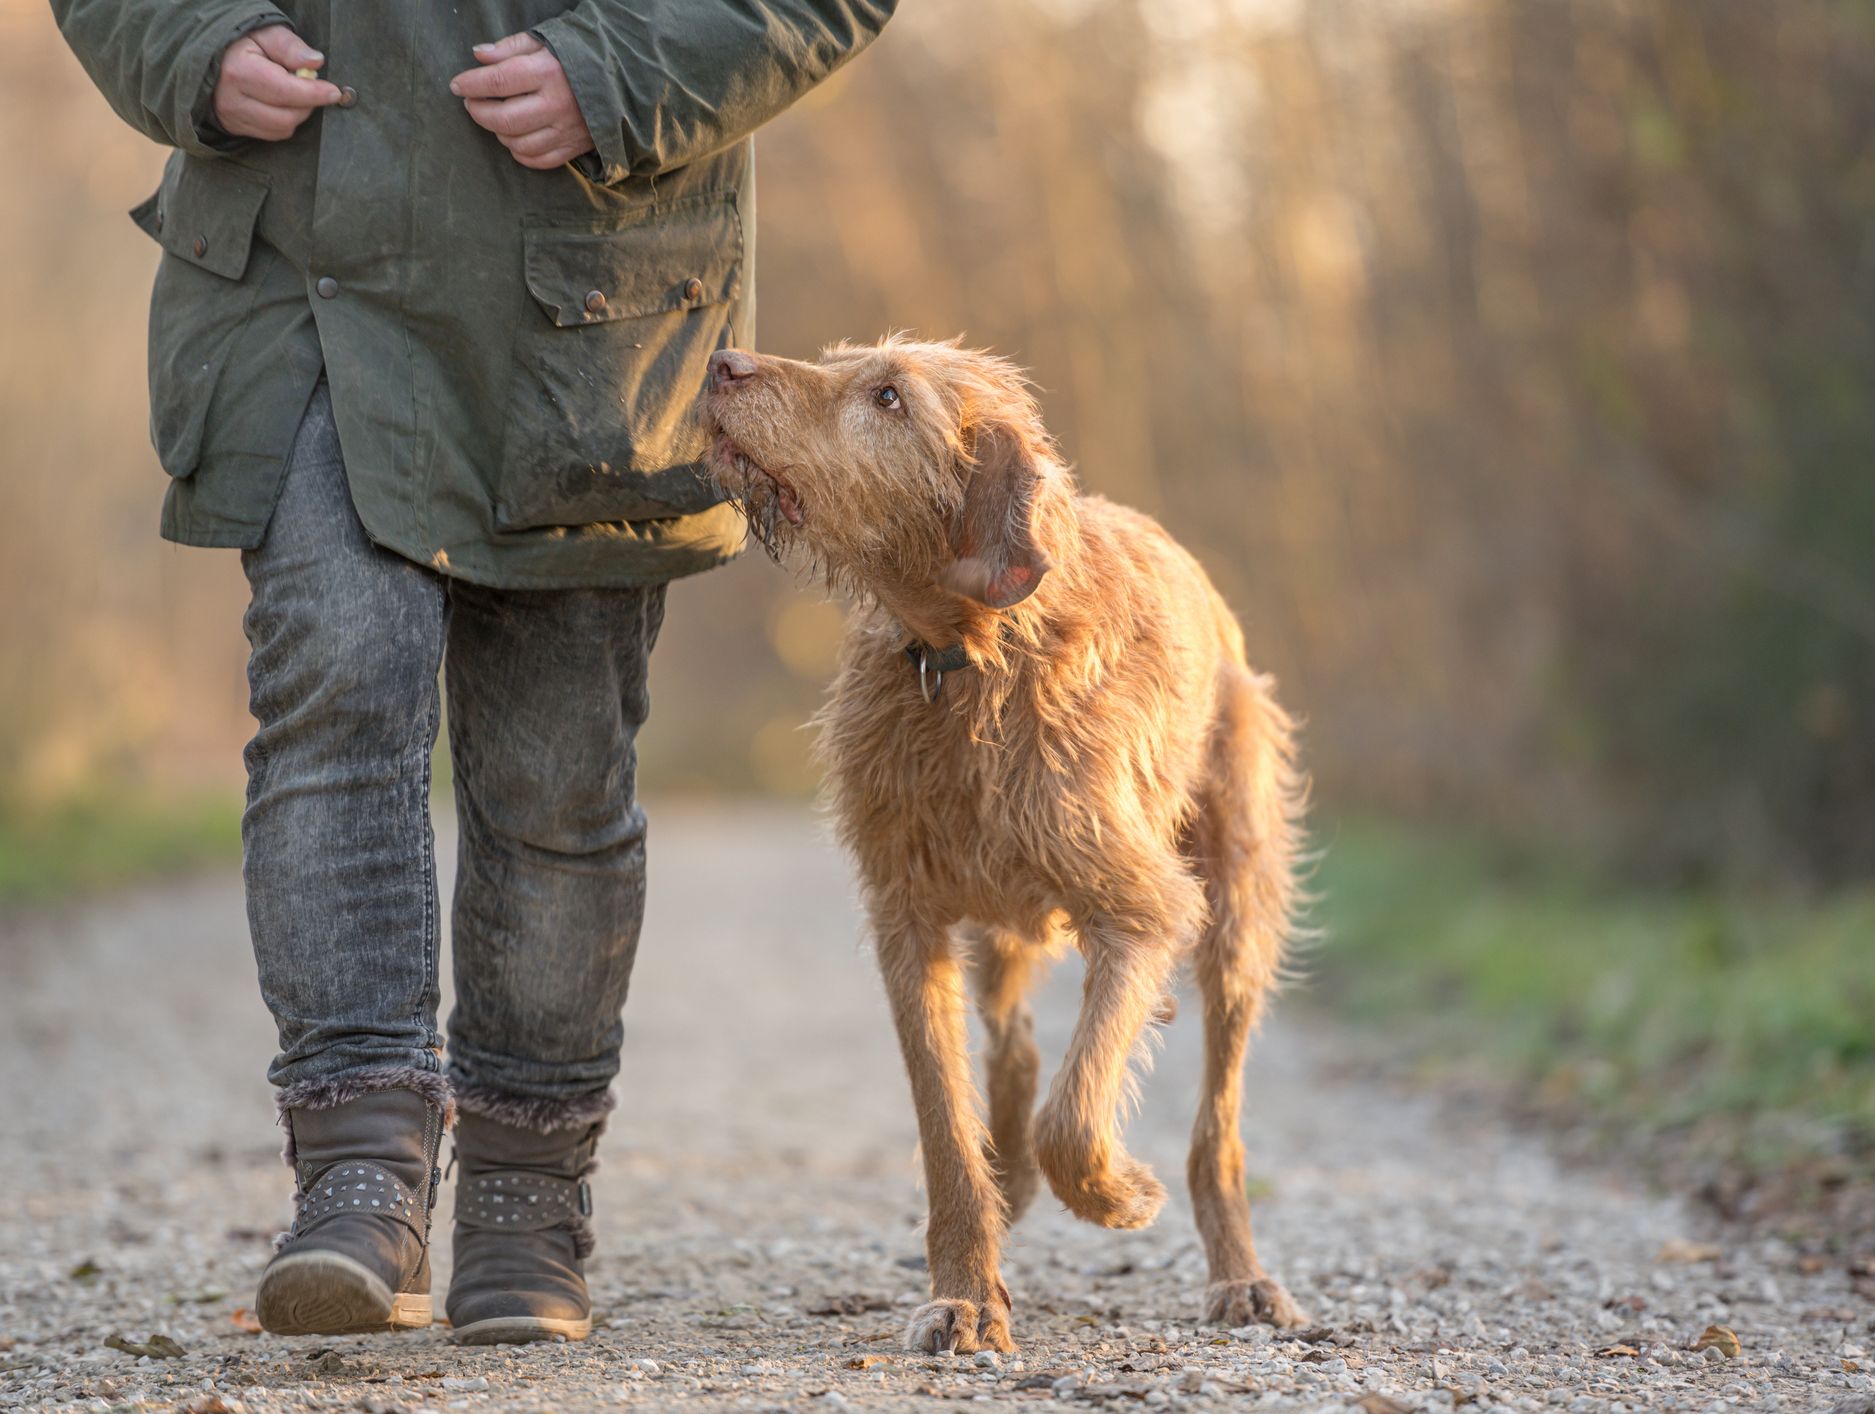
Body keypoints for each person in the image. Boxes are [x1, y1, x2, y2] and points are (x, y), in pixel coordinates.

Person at [51, 0, 896, 1345]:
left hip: (587, 297)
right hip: (300, 275)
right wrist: (191, 43)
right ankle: (357, 1177)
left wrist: (618, 71)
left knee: (556, 771)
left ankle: (525, 1192)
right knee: (335, 682)